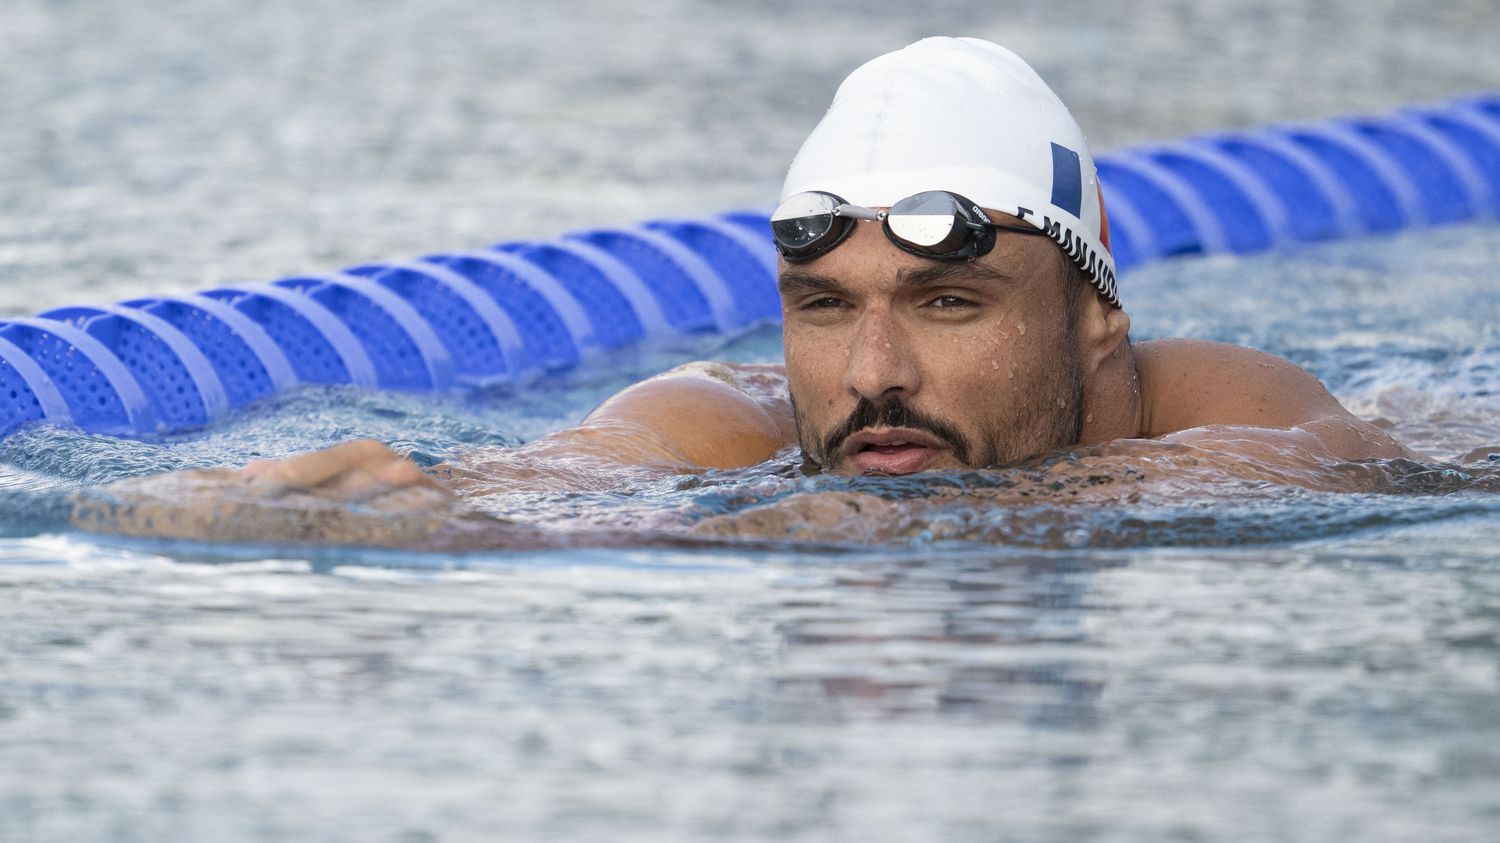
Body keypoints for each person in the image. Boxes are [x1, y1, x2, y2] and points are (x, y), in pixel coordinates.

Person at [75, 37, 1421, 548]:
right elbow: (555, 479)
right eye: (825, 305)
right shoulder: (729, 418)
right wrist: (349, 507)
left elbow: (1281, 473)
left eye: (950, 303)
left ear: (1093, 316)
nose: (868, 374)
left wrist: (783, 530)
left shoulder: (1223, 401)